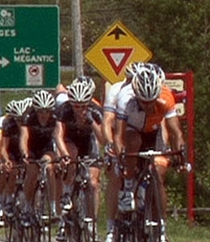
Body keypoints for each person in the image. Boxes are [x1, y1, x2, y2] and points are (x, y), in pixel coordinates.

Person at [114, 66, 185, 242]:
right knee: (133, 141)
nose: (148, 105)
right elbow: (118, 135)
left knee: (158, 174)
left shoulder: (166, 98)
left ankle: (160, 225)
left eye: (151, 101)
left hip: (154, 133)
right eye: (144, 102)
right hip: (133, 131)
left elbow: (176, 132)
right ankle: (129, 187)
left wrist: (180, 154)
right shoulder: (125, 99)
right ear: (136, 95)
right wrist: (120, 154)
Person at [54, 76, 104, 239]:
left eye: (83, 106)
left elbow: (103, 139)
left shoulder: (95, 110)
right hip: (70, 141)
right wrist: (64, 156)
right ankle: (67, 194)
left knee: (93, 182)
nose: (80, 110)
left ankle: (92, 221)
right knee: (71, 156)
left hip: (89, 143)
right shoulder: (64, 110)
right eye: (76, 106)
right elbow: (58, 136)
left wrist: (92, 122)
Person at [101, 61, 143, 242]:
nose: (132, 83)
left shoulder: (147, 92)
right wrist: (110, 144)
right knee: (116, 175)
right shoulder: (117, 91)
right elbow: (107, 121)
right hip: (120, 135)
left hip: (140, 135)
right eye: (130, 79)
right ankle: (110, 227)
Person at [19, 89, 59, 221]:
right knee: (32, 172)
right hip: (32, 148)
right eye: (41, 111)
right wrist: (24, 153)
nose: (44, 115)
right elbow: (24, 137)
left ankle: (53, 206)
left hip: (47, 148)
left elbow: (59, 137)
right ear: (35, 110)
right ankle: (27, 206)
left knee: (49, 167)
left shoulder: (55, 118)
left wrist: (60, 155)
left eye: (47, 111)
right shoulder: (28, 117)